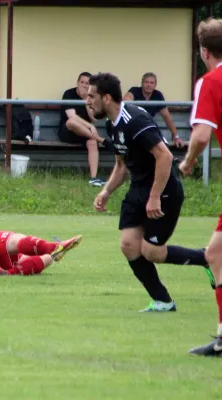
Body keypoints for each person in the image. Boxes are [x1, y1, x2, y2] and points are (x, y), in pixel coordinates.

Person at [86, 72, 214, 313]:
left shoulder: (133, 120)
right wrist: (106, 192)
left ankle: (205, 257)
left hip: (164, 188)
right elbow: (121, 165)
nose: (87, 101)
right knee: (128, 245)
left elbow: (164, 156)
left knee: (151, 251)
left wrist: (155, 196)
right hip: (139, 187)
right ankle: (163, 301)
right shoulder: (111, 125)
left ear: (106, 98)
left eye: (91, 96)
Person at [179, 18, 222, 357]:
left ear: (204, 52)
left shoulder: (210, 81)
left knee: (217, 254)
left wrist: (189, 160)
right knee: (216, 253)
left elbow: (201, 135)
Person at [58, 72, 106, 187]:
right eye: (82, 82)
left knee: (92, 142)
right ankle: (100, 139)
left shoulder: (92, 97)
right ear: (77, 83)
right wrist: (90, 126)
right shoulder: (69, 94)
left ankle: (93, 178)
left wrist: (86, 100)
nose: (84, 85)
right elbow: (72, 117)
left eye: (87, 83)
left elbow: (93, 118)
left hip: (85, 134)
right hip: (68, 132)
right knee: (71, 122)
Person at [124, 73, 184, 148]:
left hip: (148, 127)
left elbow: (167, 118)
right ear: (142, 83)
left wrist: (176, 137)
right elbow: (127, 99)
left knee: (162, 145)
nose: (149, 85)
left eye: (151, 83)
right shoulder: (135, 90)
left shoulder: (158, 95)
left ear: (155, 85)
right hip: (134, 127)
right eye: (146, 82)